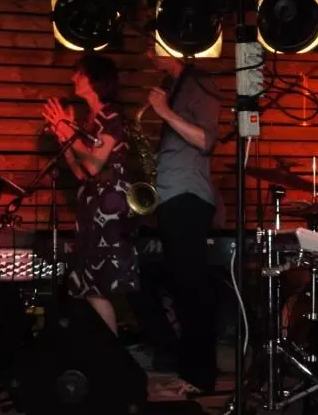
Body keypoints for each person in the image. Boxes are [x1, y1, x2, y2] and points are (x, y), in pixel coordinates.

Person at [42, 54, 139, 336]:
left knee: (98, 286)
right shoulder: (90, 121)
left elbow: (95, 164)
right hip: (91, 208)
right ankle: (105, 352)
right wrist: (64, 135)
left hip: (109, 209)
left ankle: (111, 353)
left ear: (95, 80)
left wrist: (65, 128)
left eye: (80, 74)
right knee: (88, 286)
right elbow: (81, 172)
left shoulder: (112, 116)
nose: (74, 78)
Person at [145, 47, 222, 399]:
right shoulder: (174, 84)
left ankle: (200, 377)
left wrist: (163, 112)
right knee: (181, 290)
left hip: (188, 197)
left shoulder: (200, 83)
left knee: (192, 292)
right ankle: (189, 372)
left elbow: (206, 140)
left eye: (153, 43)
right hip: (172, 198)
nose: (148, 51)